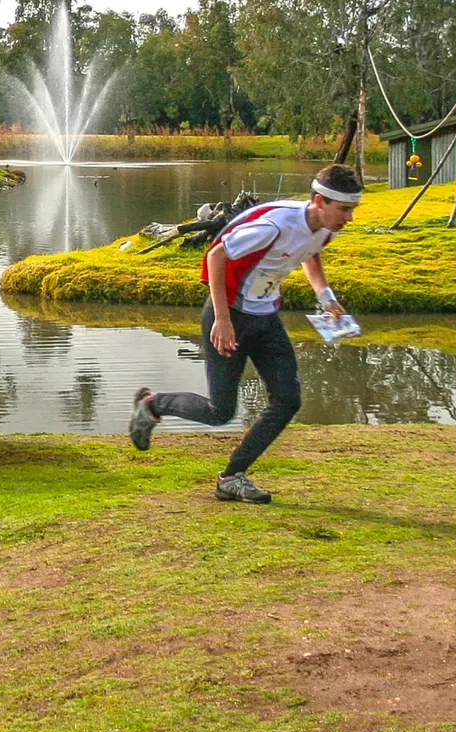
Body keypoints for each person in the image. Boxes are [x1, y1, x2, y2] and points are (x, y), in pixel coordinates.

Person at [128, 163, 362, 504]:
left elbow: (311, 254)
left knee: (288, 400)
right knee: (220, 412)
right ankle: (152, 406)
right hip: (229, 316)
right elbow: (216, 256)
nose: (348, 218)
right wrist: (222, 320)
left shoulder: (325, 225)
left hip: (266, 317)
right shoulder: (275, 226)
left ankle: (232, 477)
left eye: (351, 210)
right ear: (319, 201)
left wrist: (327, 299)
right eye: (344, 210)